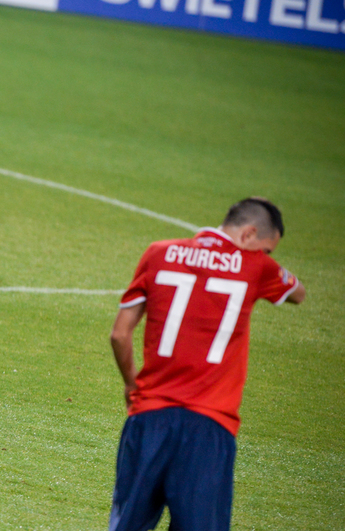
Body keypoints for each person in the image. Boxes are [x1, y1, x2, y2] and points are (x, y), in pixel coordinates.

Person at [108, 197, 306, 530]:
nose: (264, 256)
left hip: (149, 416)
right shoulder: (257, 267)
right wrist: (262, 262)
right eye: (266, 249)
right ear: (248, 234)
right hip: (209, 428)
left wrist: (131, 383)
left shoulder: (158, 252)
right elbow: (298, 293)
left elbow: (119, 334)